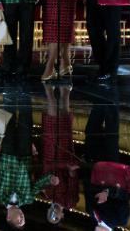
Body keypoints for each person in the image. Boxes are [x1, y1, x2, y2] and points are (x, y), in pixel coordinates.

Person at [0, 87, 59, 229]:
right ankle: (23, 88)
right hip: (25, 155)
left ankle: (9, 86)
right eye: (23, 219)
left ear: (9, 217)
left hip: (7, 154)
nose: (22, 217)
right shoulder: (28, 199)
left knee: (8, 117)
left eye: (19, 220)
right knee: (26, 120)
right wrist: (50, 179)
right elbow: (39, 184)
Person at [84, 93, 130, 230]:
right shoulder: (121, 220)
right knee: (111, 128)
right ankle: (111, 91)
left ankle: (99, 95)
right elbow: (125, 195)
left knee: (91, 130)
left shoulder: (90, 212)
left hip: (93, 162)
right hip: (111, 166)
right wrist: (107, 192)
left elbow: (87, 185)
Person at [41, 82, 79, 225]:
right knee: (65, 120)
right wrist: (70, 171)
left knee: (52, 118)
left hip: (50, 154)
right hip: (65, 156)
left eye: (50, 215)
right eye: (56, 217)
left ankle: (48, 85)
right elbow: (73, 180)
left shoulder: (48, 194)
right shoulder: (70, 202)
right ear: (62, 216)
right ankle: (65, 85)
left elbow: (45, 170)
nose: (53, 214)